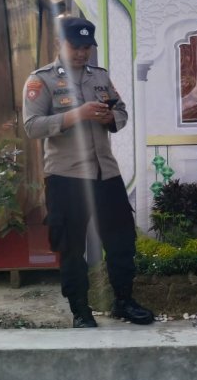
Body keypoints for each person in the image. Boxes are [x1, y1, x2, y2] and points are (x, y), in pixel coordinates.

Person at [23, 16, 154, 328]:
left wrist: (109, 118)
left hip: (105, 173)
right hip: (66, 176)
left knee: (122, 241)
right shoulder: (41, 80)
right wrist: (76, 115)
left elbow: (121, 111)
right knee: (71, 246)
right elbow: (31, 126)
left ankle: (123, 301)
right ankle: (80, 310)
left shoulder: (100, 77)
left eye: (86, 47)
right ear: (59, 44)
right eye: (75, 46)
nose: (82, 53)